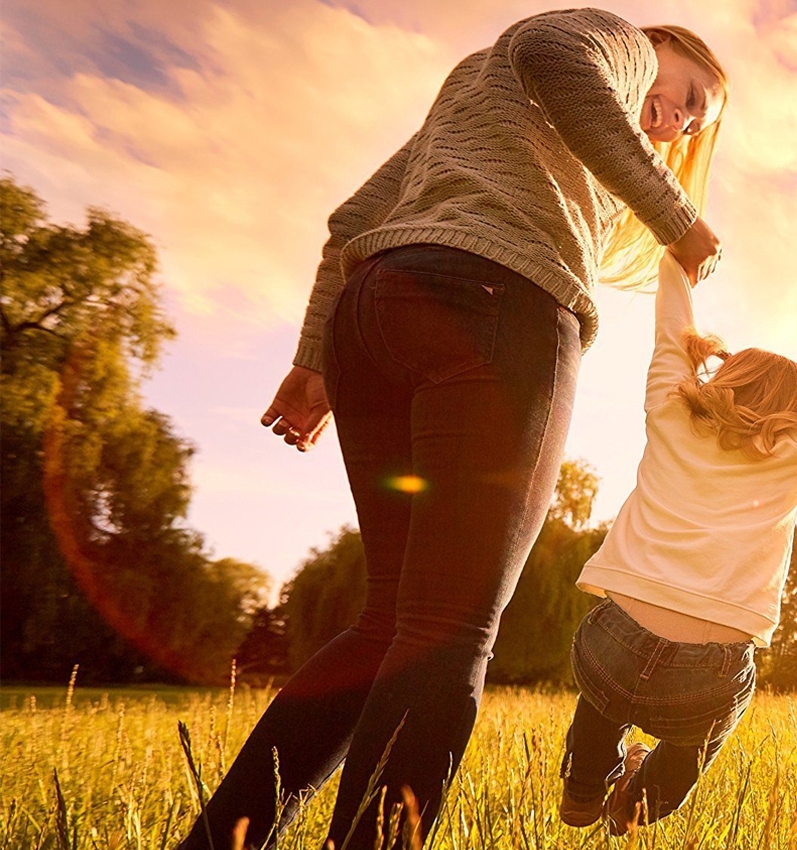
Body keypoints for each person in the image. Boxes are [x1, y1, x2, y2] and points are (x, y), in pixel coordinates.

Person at [184, 10, 729, 849]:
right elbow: (556, 54)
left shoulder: (477, 89)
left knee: (390, 623)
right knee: (448, 629)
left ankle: (219, 842)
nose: (682, 121)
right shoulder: (611, 41)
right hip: (498, 305)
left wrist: (315, 360)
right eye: (689, 93)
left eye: (696, 122)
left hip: (375, 316)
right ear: (662, 48)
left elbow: (350, 221)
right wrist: (674, 214)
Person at [557, 257, 797, 833]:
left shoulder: (669, 409)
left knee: (603, 699)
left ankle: (585, 789)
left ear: (724, 378)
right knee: (698, 739)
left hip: (612, 643)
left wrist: (677, 262)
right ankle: (639, 805)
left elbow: (671, 328)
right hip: (708, 671)